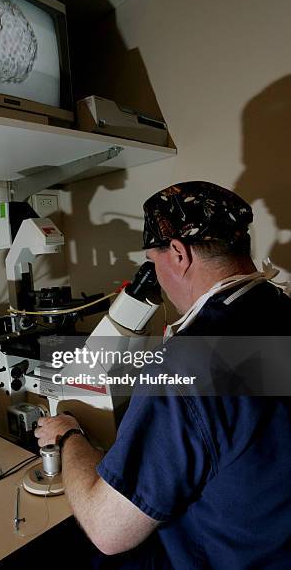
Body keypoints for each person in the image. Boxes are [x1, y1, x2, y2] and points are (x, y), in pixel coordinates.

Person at [34, 181, 291, 569]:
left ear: (178, 253)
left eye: (153, 265)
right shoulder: (279, 309)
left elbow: (108, 532)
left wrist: (67, 433)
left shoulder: (186, 364)